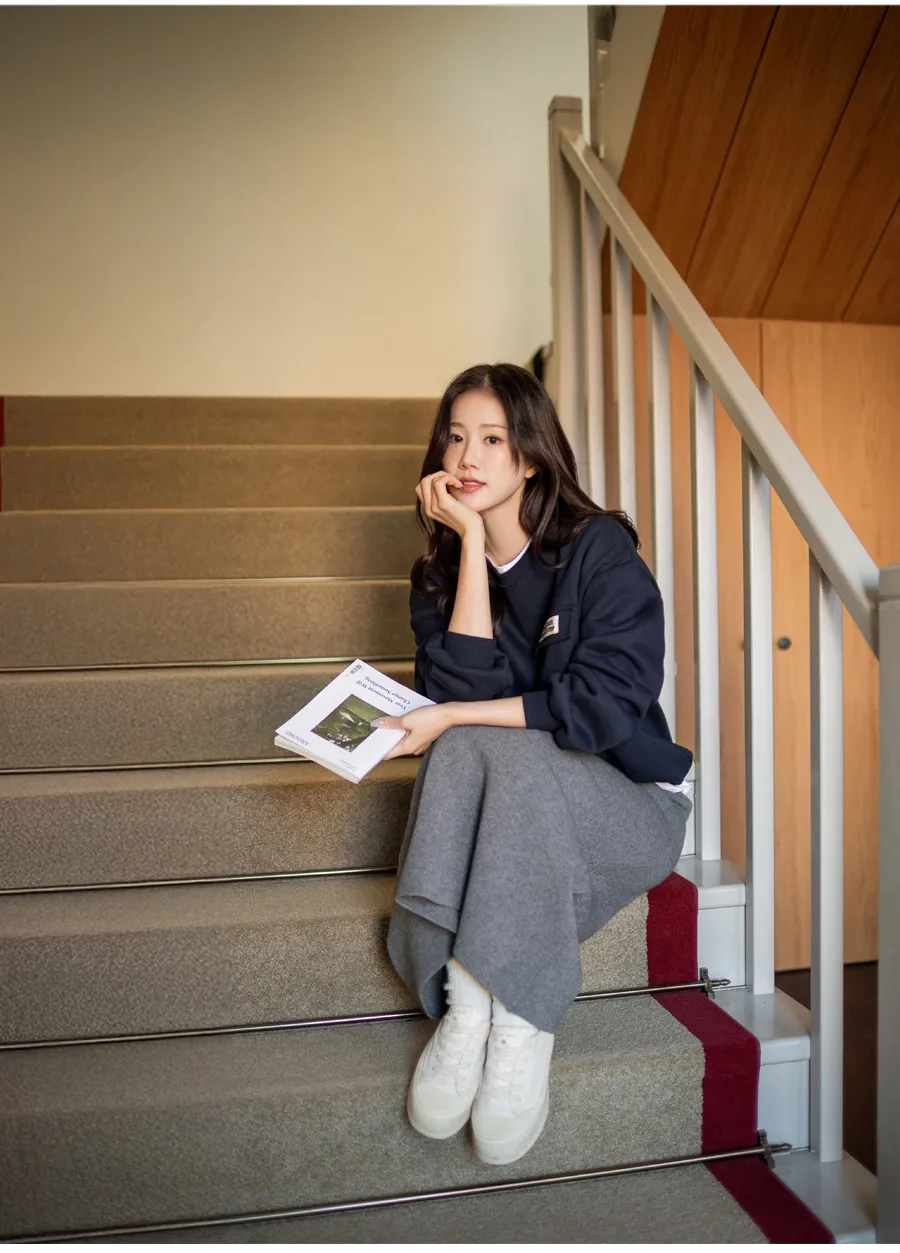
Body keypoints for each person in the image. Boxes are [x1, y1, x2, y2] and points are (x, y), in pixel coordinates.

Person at [373, 362, 693, 1168]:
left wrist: (452, 715)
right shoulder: (439, 576)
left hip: (629, 803)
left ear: (531, 458)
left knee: (484, 742)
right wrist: (469, 546)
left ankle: (516, 1011)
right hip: (519, 805)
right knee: (473, 744)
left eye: (492, 439)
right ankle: (473, 1009)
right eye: (455, 437)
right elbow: (464, 694)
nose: (467, 457)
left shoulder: (597, 550)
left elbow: (600, 708)